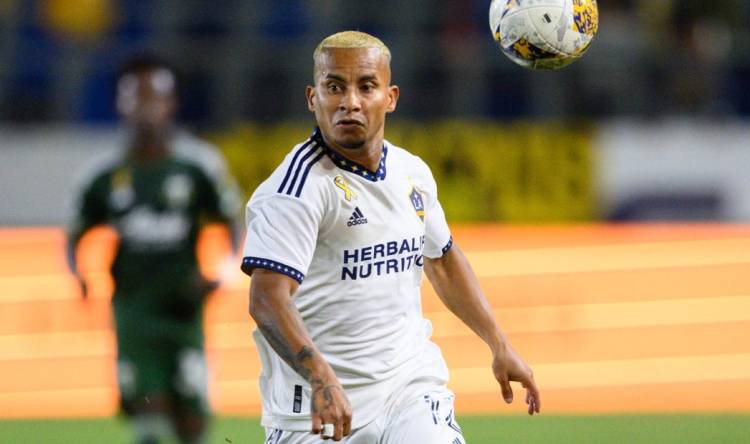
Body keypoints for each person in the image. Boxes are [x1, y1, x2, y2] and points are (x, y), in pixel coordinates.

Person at [242, 31, 540, 444]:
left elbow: (443, 260)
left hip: (409, 390)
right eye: (334, 87)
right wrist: (321, 379)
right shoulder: (295, 190)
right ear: (313, 98)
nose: (350, 101)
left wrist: (499, 343)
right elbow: (267, 299)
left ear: (391, 96)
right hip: (320, 411)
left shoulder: (411, 172)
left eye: (366, 86)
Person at [66, 54, 242, 444]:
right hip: (133, 307)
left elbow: (231, 220)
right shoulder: (104, 173)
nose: (146, 108)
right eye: (136, 98)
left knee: (192, 416)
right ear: (121, 104)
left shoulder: (198, 165)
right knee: (148, 407)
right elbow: (76, 231)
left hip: (184, 304)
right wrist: (77, 272)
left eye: (155, 98)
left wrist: (222, 273)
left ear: (171, 103)